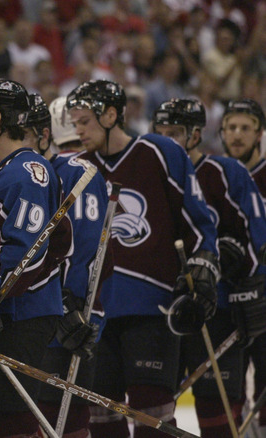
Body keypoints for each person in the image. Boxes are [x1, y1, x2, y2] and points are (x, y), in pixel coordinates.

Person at [66, 80, 219, 438]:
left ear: (111, 115)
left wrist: (203, 262)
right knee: (101, 415)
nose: (79, 131)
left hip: (153, 305)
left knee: (152, 412)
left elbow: (196, 218)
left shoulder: (160, 151)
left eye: (85, 121)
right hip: (96, 310)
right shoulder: (77, 167)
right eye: (75, 123)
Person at [153, 98, 266, 438]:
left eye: (175, 132)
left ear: (196, 134)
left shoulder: (226, 172)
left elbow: (255, 234)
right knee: (157, 403)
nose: (167, 140)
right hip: (164, 308)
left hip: (220, 307)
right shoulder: (152, 173)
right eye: (161, 133)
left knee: (217, 404)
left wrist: (234, 257)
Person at [0, 79, 68, 438]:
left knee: (9, 418)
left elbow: (26, 254)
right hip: (3, 308)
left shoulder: (27, 172)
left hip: (22, 310)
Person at [24, 93, 109, 438]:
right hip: (28, 316)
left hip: (66, 316)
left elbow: (85, 249)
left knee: (64, 418)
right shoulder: (14, 172)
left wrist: (67, 303)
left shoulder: (76, 171)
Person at [221, 98, 266, 437]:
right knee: (228, 392)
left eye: (245, 128)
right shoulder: (212, 175)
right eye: (231, 128)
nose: (237, 135)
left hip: (264, 298)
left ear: (259, 134)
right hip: (227, 300)